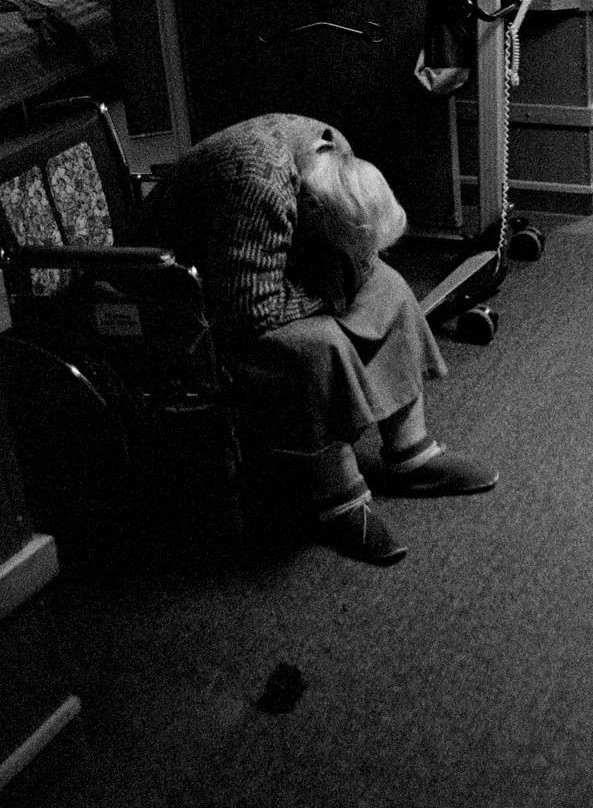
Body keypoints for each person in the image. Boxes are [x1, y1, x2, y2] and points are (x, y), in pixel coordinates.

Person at [145, 113, 497, 568]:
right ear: (312, 212)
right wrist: (328, 297)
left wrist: (351, 272)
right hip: (182, 286)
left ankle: (412, 455)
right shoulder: (262, 186)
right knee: (318, 343)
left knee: (390, 289)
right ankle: (339, 499)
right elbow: (249, 310)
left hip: (271, 256)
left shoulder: (334, 150)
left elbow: (357, 250)